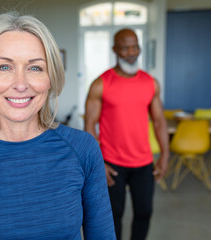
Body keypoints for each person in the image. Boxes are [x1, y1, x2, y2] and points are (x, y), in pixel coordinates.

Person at [0, 12, 116, 240]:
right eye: (5, 67)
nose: (20, 84)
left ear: (50, 78)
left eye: (35, 68)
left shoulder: (83, 149)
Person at [84, 28, 169, 240]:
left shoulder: (151, 83)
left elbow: (159, 121)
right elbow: (89, 124)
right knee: (114, 215)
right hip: (112, 164)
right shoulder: (100, 84)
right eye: (125, 48)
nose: (131, 52)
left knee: (145, 212)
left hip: (143, 162)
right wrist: (98, 163)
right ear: (115, 49)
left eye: (135, 46)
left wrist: (165, 156)